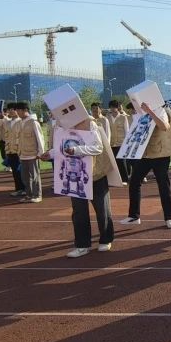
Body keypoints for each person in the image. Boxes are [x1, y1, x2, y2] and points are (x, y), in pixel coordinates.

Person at [46, 107, 120, 257]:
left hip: (95, 173)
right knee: (79, 211)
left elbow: (98, 147)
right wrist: (50, 154)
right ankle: (82, 245)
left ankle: (106, 239)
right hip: (74, 174)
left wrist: (77, 150)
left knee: (102, 209)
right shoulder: (60, 127)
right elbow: (61, 148)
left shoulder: (90, 123)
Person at [123, 100, 171, 227]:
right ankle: (134, 216)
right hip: (145, 155)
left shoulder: (162, 111)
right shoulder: (140, 114)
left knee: (163, 186)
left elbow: (164, 127)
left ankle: (169, 217)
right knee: (134, 182)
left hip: (160, 155)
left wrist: (150, 111)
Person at [12, 101, 45, 203]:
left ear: (25, 110)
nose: (17, 112)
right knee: (25, 177)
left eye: (19, 110)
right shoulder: (20, 123)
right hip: (23, 154)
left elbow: (40, 138)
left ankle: (37, 195)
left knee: (35, 176)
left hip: (33, 154)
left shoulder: (33, 122)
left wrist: (40, 153)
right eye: (16, 110)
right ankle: (29, 194)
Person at [2, 103, 25, 197]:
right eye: (9, 109)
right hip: (10, 150)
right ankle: (19, 189)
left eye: (13, 109)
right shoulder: (7, 122)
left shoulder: (21, 121)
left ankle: (25, 189)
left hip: (19, 150)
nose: (11, 111)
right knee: (15, 171)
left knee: (21, 171)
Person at [107, 99, 130, 182]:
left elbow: (127, 130)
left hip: (121, 143)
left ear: (117, 107)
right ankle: (115, 180)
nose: (112, 109)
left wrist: (127, 144)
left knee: (121, 162)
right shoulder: (107, 118)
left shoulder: (123, 117)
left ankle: (125, 179)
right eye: (111, 107)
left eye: (114, 107)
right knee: (113, 163)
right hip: (111, 143)